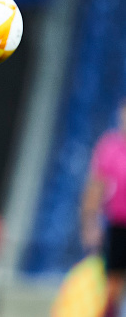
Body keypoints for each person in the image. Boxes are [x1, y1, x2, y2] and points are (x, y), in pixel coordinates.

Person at [81, 98, 126, 317]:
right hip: (117, 225)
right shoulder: (110, 146)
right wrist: (90, 224)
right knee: (112, 284)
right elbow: (96, 187)